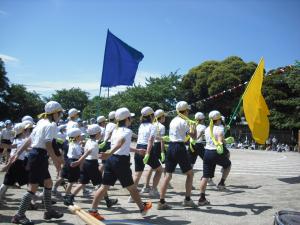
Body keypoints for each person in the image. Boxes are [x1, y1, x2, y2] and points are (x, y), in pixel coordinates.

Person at [88, 107, 152, 220]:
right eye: (130, 117)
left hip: (111, 160)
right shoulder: (128, 131)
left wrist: (136, 150)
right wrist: (109, 153)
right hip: (120, 162)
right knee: (132, 187)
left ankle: (93, 210)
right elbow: (120, 143)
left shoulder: (115, 130)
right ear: (127, 119)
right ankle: (142, 208)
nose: (131, 119)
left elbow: (122, 146)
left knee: (104, 187)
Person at [11, 101, 64, 225]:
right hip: (39, 157)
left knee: (48, 183)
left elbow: (30, 139)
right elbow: (48, 145)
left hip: (37, 156)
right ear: (55, 113)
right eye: (60, 113)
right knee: (33, 188)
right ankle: (19, 215)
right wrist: (57, 162)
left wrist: (18, 152)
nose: (61, 115)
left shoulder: (41, 122)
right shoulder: (51, 125)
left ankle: (49, 211)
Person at [157, 101, 197, 210]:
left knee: (168, 175)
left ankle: (161, 201)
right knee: (190, 174)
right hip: (179, 147)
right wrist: (194, 126)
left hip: (170, 147)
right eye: (188, 110)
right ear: (186, 111)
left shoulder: (173, 120)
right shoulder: (185, 122)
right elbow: (194, 137)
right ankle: (187, 199)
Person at [198, 110, 232, 206]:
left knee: (205, 176)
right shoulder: (220, 129)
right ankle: (221, 183)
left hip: (207, 152)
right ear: (218, 119)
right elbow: (220, 141)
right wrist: (227, 141)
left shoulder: (207, 129)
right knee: (228, 164)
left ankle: (202, 198)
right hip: (216, 152)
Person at [130, 106, 163, 202]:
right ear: (151, 116)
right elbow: (150, 140)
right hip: (147, 149)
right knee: (159, 170)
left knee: (137, 174)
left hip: (138, 148)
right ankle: (153, 190)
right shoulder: (153, 126)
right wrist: (148, 153)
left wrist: (162, 138)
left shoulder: (141, 126)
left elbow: (148, 137)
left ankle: (132, 196)